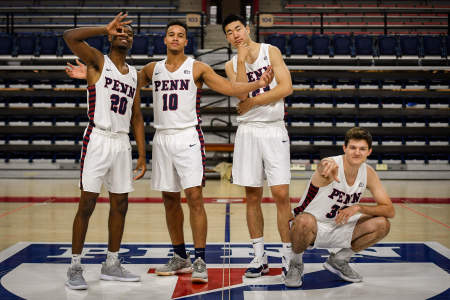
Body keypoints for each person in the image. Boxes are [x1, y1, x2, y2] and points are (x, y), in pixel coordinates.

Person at [66, 20, 274, 284]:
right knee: (170, 200)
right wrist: (90, 76)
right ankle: (180, 256)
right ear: (164, 40)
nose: (175, 38)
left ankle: (199, 259)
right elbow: (119, 84)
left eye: (181, 35)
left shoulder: (197, 67)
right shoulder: (151, 70)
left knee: (195, 198)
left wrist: (256, 86)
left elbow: (228, 88)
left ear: (187, 41)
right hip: (161, 137)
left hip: (187, 136)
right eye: (171, 35)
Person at [63, 12, 147, 290]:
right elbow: (69, 37)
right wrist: (103, 27)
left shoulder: (134, 75)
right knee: (86, 204)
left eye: (129, 33)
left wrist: (143, 155)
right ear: (110, 36)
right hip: (98, 137)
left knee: (120, 205)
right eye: (119, 31)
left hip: (122, 143)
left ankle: (111, 263)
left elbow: (136, 116)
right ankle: (75, 266)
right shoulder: (98, 61)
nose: (125, 35)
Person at [222, 14, 294, 279]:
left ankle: (288, 255)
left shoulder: (270, 51)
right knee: (252, 196)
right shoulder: (231, 64)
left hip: (274, 130)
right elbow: (240, 93)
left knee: (281, 194)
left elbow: (286, 87)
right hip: (248, 133)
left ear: (248, 28)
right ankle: (259, 256)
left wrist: (254, 101)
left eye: (238, 29)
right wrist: (241, 61)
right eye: (229, 32)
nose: (235, 35)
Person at [284, 127, 395, 287]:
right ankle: (295, 263)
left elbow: (389, 210)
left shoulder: (368, 173)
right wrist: (325, 165)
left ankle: (339, 260)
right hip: (313, 227)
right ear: (344, 148)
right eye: (353, 148)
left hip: (341, 227)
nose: (357, 152)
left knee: (382, 224)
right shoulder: (331, 165)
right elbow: (323, 166)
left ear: (369, 151)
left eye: (362, 149)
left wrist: (359, 208)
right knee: (303, 221)